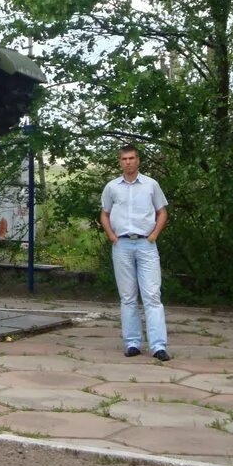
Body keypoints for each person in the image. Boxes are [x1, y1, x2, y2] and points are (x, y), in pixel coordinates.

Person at [100, 144, 171, 361]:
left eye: (131, 158)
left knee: (151, 295)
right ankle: (132, 343)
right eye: (124, 159)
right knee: (128, 296)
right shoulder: (112, 187)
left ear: (138, 160)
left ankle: (158, 346)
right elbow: (104, 214)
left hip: (146, 244)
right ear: (120, 162)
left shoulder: (151, 185)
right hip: (121, 245)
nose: (128, 162)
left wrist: (153, 235)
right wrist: (112, 236)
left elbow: (162, 212)